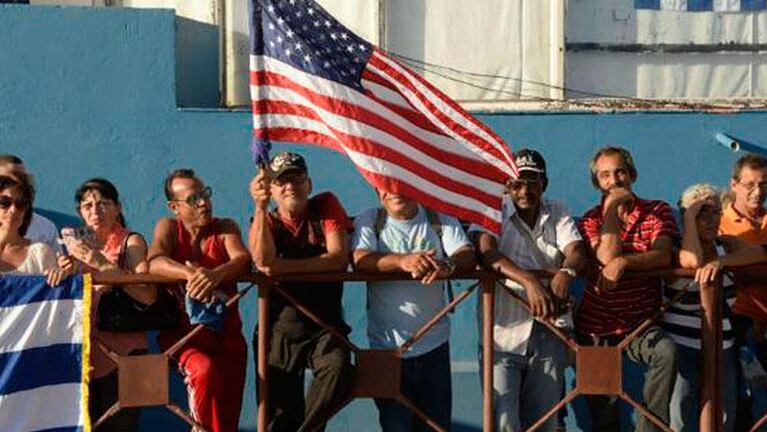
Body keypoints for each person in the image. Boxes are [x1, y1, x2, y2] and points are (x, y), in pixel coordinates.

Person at [471, 149, 587, 432]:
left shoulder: (556, 209)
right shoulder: (491, 209)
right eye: (517, 183)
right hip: (502, 333)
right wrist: (529, 281)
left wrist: (567, 272)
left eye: (533, 183)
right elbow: (487, 252)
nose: (524, 191)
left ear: (544, 184)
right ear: (506, 186)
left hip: (549, 331)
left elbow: (576, 250)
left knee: (545, 422)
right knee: (503, 422)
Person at [352, 187, 475, 431]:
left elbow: (466, 254)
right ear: (378, 191)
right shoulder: (370, 218)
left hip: (435, 348)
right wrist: (403, 261)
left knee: (436, 427)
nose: (395, 191)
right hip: (387, 350)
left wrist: (446, 266)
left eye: (403, 184)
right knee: (395, 427)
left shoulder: (438, 217)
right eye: (388, 185)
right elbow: (359, 258)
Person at [249, 151, 353, 432]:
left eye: (296, 178)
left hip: (325, 325)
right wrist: (259, 207)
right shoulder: (267, 220)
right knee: (278, 413)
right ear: (271, 189)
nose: (289, 186)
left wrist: (282, 267)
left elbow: (339, 257)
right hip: (280, 327)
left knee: (338, 367)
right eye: (281, 181)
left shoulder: (326, 205)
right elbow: (261, 260)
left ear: (309, 184)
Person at [577, 146, 679, 432]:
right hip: (596, 326)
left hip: (641, 323)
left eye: (620, 171)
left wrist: (625, 261)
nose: (614, 179)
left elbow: (662, 255)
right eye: (605, 175)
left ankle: (650, 428)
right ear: (597, 182)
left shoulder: (657, 211)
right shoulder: (589, 219)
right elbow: (605, 257)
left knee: (666, 352)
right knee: (605, 416)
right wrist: (611, 210)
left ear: (632, 174)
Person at [148, 169, 250, 432]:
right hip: (183, 340)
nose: (204, 203)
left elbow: (242, 260)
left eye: (205, 195)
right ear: (175, 207)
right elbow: (154, 261)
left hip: (227, 339)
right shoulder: (169, 227)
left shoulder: (224, 228)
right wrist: (191, 274)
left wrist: (214, 275)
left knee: (227, 421)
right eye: (193, 199)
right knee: (203, 371)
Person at [665, 183, 767, 432]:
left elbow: (762, 254)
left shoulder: (726, 244)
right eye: (702, 213)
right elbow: (694, 261)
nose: (711, 220)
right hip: (684, 346)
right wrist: (689, 218)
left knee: (724, 416)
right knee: (681, 417)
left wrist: (721, 262)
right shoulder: (676, 249)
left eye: (715, 212)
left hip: (724, 346)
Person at [57, 178, 157, 432]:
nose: (95, 211)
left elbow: (147, 294)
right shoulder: (72, 243)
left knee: (121, 426)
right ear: (80, 211)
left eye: (103, 204)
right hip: (83, 350)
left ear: (118, 208)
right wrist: (64, 270)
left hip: (127, 352)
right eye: (88, 205)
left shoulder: (130, 242)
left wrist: (100, 264)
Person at [0, 174, 69, 284]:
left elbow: (55, 297)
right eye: (4, 202)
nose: (13, 210)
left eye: (21, 204)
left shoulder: (41, 254)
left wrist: (61, 278)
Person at [0, 154, 60, 251]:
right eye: (4, 201)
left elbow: (56, 262)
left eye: (24, 178)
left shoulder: (45, 228)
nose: (20, 183)